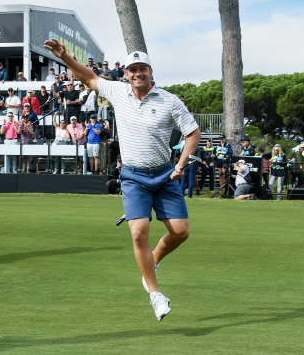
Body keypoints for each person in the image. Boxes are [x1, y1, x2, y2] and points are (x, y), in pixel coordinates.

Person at [45, 39, 200, 321]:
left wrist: (181, 164)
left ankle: (152, 261)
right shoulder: (117, 91)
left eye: (142, 69)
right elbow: (89, 77)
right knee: (138, 231)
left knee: (181, 232)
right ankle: (155, 294)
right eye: (132, 70)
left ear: (151, 72)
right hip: (133, 177)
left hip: (165, 174)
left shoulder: (170, 100)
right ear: (126, 74)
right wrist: (65, 57)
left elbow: (193, 133)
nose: (137, 74)